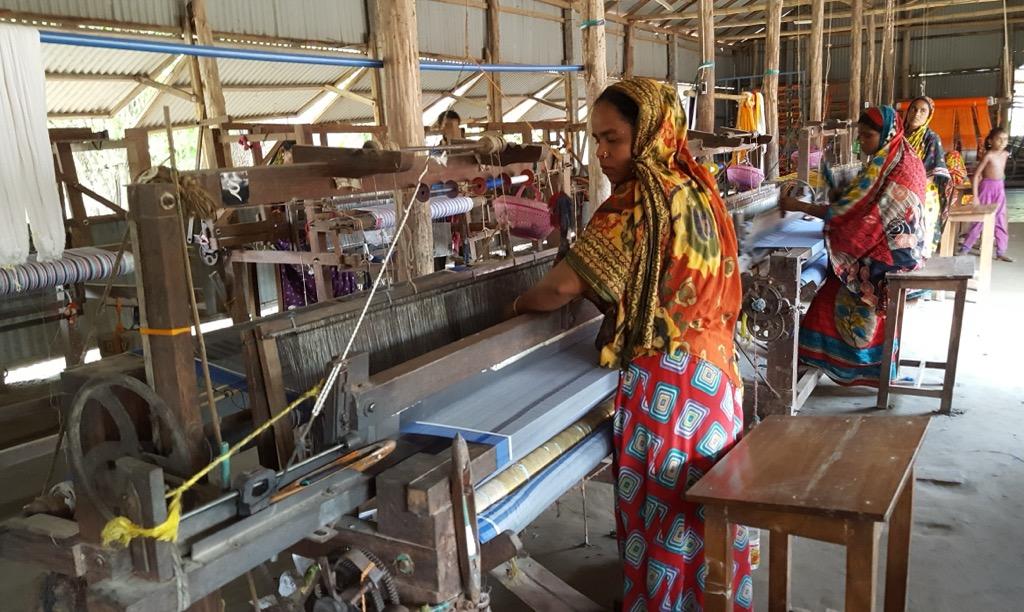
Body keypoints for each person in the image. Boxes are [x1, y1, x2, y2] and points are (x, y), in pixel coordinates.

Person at [507, 78, 752, 610]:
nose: (601, 154)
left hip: (666, 392)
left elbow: (561, 288)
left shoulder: (638, 200)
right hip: (715, 385)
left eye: (612, 139)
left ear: (648, 133)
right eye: (595, 140)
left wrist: (517, 311)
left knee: (662, 517)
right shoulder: (696, 187)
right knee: (699, 517)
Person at [780, 106, 927, 386]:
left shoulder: (893, 166)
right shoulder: (899, 156)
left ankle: (849, 365)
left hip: (890, 258)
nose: (862, 143)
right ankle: (847, 365)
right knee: (833, 287)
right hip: (903, 250)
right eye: (859, 136)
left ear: (886, 135)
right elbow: (864, 206)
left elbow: (851, 214)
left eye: (868, 136)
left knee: (832, 296)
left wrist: (797, 206)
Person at [903, 96, 951, 255]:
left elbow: (932, 172)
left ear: (929, 115)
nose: (917, 114)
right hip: (900, 192)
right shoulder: (899, 136)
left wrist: (913, 190)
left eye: (923, 111)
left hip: (922, 193)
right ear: (908, 111)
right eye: (913, 109)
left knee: (920, 232)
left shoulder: (931, 138)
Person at [961, 127, 1014, 262]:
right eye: (999, 139)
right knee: (980, 218)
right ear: (990, 141)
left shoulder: (1005, 154)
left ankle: (1001, 251)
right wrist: (976, 197)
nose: (1002, 142)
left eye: (1005, 139)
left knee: (1001, 219)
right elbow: (977, 174)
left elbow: (1001, 171)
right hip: (987, 187)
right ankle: (966, 248)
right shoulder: (988, 155)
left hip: (999, 188)